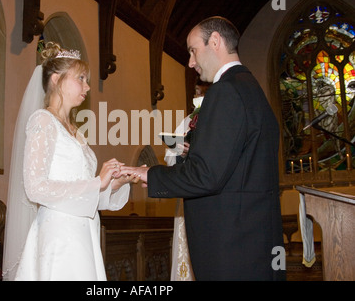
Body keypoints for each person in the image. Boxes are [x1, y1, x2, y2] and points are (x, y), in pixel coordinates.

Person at [121, 17, 285, 280]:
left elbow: (206, 175)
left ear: (215, 42)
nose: (191, 62)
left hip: (231, 251)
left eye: (193, 50)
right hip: (254, 244)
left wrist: (150, 174)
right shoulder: (252, 90)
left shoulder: (225, 92)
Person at [2, 42, 136, 281]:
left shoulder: (75, 132)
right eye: (81, 78)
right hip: (60, 237)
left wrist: (111, 185)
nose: (87, 86)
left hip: (84, 233)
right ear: (56, 79)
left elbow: (83, 192)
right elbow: (36, 187)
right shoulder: (42, 121)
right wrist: (98, 182)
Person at [165, 79, 209, 281]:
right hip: (187, 196)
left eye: (201, 92)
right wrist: (180, 153)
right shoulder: (187, 122)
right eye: (196, 91)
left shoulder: (221, 120)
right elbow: (168, 156)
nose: (197, 95)